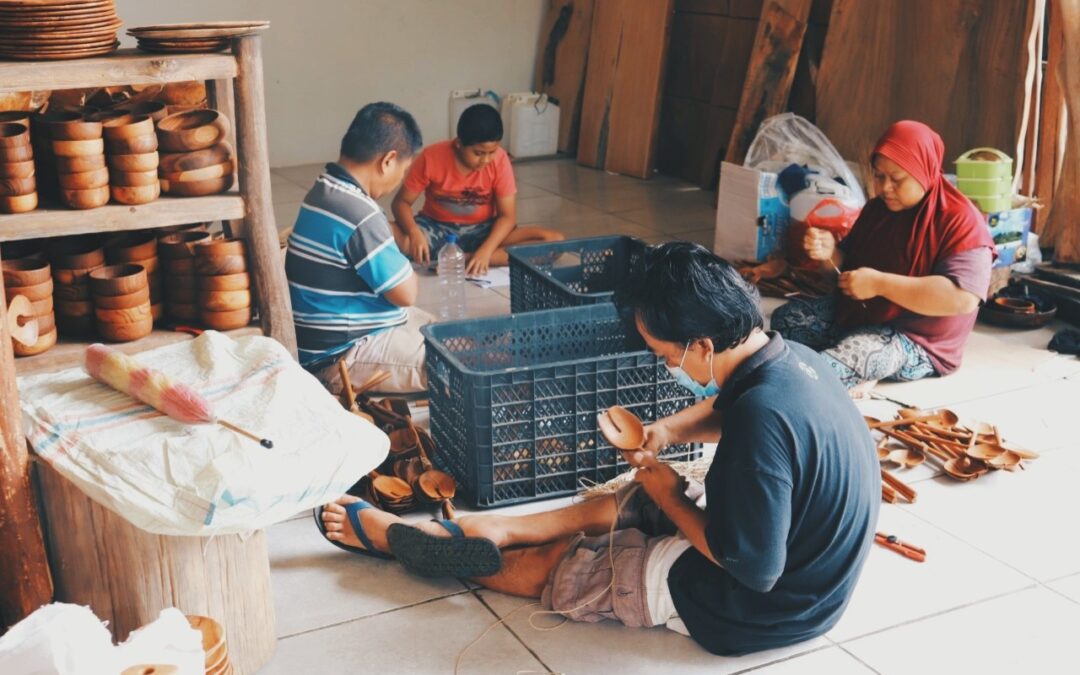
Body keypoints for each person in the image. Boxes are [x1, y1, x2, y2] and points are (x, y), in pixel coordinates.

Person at [316, 242, 879, 657]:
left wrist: (675, 498)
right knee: (630, 500)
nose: (665, 366)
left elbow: (754, 569)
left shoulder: (762, 424)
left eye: (665, 355)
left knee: (562, 569)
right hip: (804, 563)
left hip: (764, 606)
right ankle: (507, 528)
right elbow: (732, 411)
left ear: (703, 344)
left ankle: (408, 543)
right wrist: (666, 433)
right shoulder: (788, 358)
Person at [770, 120, 995, 392]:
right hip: (867, 316)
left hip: (917, 338)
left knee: (845, 360)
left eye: (897, 179)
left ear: (924, 171)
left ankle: (794, 386)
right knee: (787, 321)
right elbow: (845, 273)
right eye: (879, 176)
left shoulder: (961, 222)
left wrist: (879, 284)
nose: (885, 187)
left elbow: (962, 299)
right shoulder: (878, 210)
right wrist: (828, 254)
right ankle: (852, 369)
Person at [285, 102, 432, 395]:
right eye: (402, 171)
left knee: (446, 333)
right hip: (341, 356)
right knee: (456, 364)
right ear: (388, 160)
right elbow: (406, 293)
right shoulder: (359, 212)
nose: (397, 182)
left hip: (332, 338)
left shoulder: (324, 190)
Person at [391, 103, 563, 276]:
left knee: (554, 242)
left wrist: (486, 252)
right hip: (436, 230)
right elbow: (401, 203)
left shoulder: (500, 161)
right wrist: (414, 233)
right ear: (459, 144)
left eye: (492, 152)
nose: (486, 160)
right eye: (478, 153)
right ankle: (453, 255)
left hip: (484, 232)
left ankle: (464, 258)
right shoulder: (431, 157)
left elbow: (507, 216)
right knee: (385, 231)